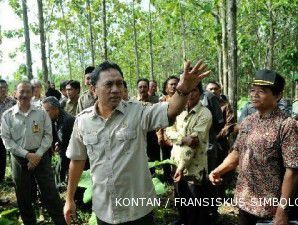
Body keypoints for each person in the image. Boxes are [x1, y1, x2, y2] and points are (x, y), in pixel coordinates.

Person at [63, 60, 210, 225]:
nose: (116, 89)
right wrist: (69, 199)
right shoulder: (83, 121)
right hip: (104, 208)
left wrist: (183, 88)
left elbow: (170, 110)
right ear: (93, 89)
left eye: (119, 84)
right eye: (109, 84)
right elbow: (77, 159)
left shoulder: (138, 111)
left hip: (137, 209)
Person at [209, 69, 298, 225]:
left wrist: (282, 210)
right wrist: (219, 170)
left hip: (270, 208)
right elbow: (237, 152)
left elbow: (292, 170)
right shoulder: (248, 121)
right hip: (245, 201)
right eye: (252, 90)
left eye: (261, 91)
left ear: (278, 96)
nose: (254, 94)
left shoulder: (287, 125)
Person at [1, 81, 66, 225]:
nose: (24, 95)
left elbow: (48, 135)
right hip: (18, 158)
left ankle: (60, 221)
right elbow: (7, 140)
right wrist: (27, 155)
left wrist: (38, 154)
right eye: (21, 92)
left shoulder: (41, 113)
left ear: (32, 94)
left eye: (27, 92)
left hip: (41, 155)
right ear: (15, 94)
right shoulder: (7, 116)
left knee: (49, 191)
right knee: (23, 194)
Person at [166, 82, 212, 225]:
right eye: (188, 91)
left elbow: (193, 143)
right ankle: (182, 219)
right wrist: (182, 139)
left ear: (200, 93)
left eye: (194, 91)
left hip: (193, 168)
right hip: (175, 162)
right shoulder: (178, 111)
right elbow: (168, 131)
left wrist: (181, 167)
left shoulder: (204, 114)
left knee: (193, 203)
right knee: (180, 198)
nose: (191, 94)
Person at [42, 96, 75, 188]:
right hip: (63, 148)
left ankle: (63, 184)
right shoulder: (53, 118)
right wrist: (57, 143)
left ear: (55, 109)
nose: (44, 113)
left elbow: (70, 143)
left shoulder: (68, 121)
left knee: (62, 164)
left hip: (71, 151)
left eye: (46, 110)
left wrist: (59, 145)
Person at [157, 76, 180, 183]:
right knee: (166, 159)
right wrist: (160, 136)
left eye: (176, 84)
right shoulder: (162, 102)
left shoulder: (183, 100)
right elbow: (157, 121)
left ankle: (178, 178)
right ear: (166, 88)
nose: (174, 86)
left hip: (180, 137)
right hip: (166, 137)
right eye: (171, 84)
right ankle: (167, 180)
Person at [135, 78, 160, 173]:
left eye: (144, 86)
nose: (142, 89)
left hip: (152, 133)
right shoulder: (133, 102)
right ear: (137, 88)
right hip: (138, 135)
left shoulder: (155, 100)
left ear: (148, 88)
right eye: (140, 87)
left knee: (153, 158)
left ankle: (154, 177)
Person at [0, 79, 16, 183]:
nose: (2, 89)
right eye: (0, 88)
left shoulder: (13, 102)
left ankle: (16, 177)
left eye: (4, 87)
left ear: (7, 88)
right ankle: (1, 179)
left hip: (11, 134)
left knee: (14, 157)